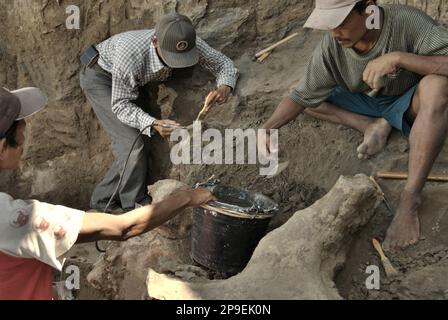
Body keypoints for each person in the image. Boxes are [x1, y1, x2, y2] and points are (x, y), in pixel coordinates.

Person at [260, 0, 448, 251]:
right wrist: (268, 127)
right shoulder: (332, 46)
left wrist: (399, 58)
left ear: (368, 10)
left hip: (409, 101)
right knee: (297, 88)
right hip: (365, 102)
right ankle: (370, 125)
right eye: (329, 25)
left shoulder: (407, 21)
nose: (335, 33)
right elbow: (301, 96)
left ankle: (409, 198)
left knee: (437, 86)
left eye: (341, 22)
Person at [0, 87, 216, 300]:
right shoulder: (16, 220)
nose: (24, 141)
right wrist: (188, 197)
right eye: (22, 132)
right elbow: (123, 227)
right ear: (2, 147)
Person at [80, 13, 239, 213]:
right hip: (102, 77)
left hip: (133, 82)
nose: (178, 63)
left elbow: (223, 64)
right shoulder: (130, 55)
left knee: (143, 137)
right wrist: (153, 123)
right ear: (154, 41)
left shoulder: (188, 40)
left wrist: (224, 86)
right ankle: (119, 206)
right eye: (173, 57)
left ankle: (129, 201)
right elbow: (121, 104)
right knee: (131, 143)